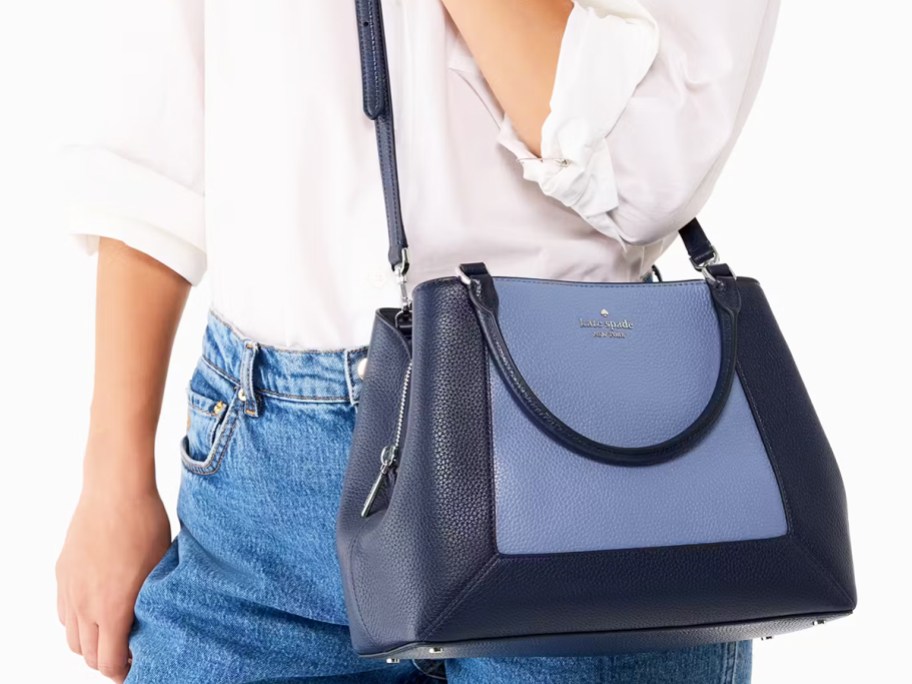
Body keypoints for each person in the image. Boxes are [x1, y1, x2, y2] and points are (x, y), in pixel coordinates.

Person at [54, 1, 779, 682]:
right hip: (258, 475)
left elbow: (656, 163)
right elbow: (153, 135)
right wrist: (111, 477)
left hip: (577, 464)